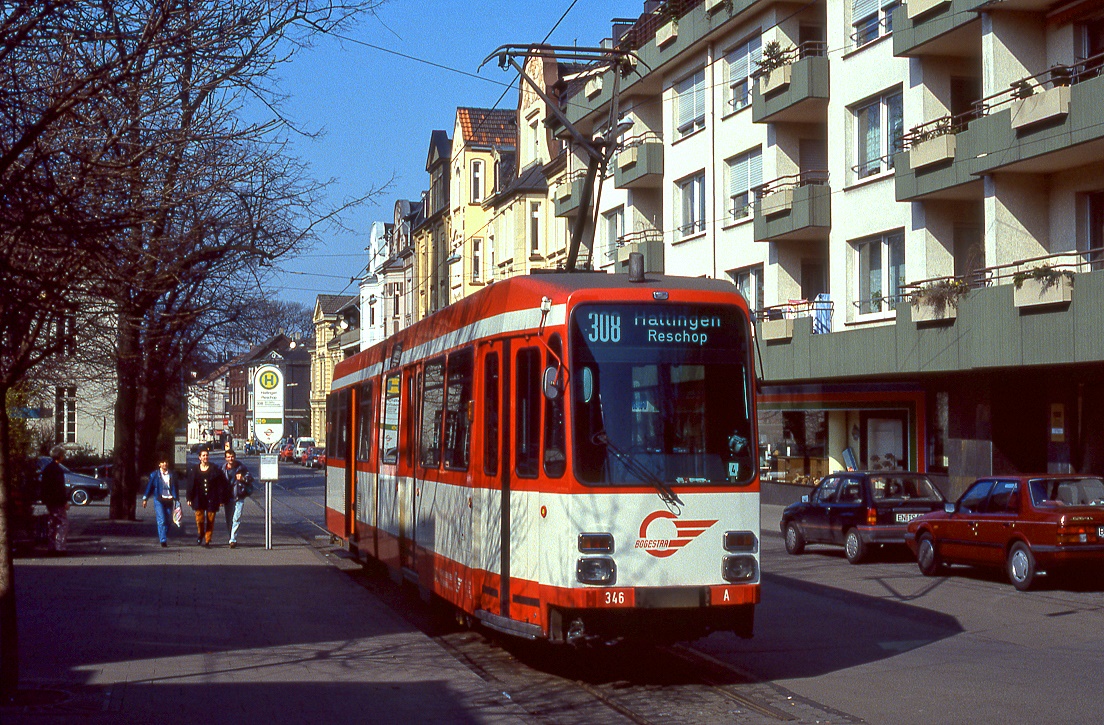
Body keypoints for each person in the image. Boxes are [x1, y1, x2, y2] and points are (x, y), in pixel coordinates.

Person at [186, 447, 228, 547]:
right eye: (203, 455)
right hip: (198, 498)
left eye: (207, 455)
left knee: (210, 519)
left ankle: (207, 540)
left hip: (212, 498)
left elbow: (221, 485)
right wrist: (189, 498)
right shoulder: (194, 470)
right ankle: (200, 534)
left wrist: (221, 499)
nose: (205, 457)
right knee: (199, 519)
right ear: (199, 457)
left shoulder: (215, 469)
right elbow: (190, 485)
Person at [142, 454, 181, 547]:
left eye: (166, 462)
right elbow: (149, 487)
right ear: (159, 464)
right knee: (161, 520)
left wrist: (177, 499)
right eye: (163, 462)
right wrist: (145, 498)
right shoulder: (155, 475)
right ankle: (163, 540)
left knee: (168, 521)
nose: (165, 464)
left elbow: (176, 487)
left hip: (169, 499)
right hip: (159, 499)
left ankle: (163, 534)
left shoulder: (172, 474)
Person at [221, 449, 253, 548]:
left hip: (239, 497)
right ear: (226, 458)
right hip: (227, 498)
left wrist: (242, 478)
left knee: (236, 518)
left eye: (232, 457)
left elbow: (251, 479)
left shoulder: (241, 468)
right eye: (228, 457)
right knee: (229, 519)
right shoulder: (222, 470)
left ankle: (233, 539)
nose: (231, 459)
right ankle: (231, 535)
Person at [41, 445, 69, 554]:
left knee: (52, 523)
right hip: (58, 500)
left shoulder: (47, 469)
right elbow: (59, 488)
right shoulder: (58, 470)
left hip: (49, 500)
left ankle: (51, 546)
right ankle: (60, 547)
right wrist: (64, 501)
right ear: (60, 456)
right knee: (63, 523)